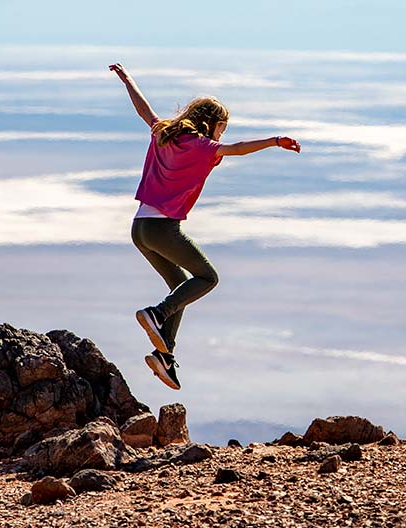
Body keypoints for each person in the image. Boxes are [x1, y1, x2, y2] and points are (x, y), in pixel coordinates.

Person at [111, 63, 301, 390]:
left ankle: (164, 356)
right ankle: (156, 314)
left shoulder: (165, 132)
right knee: (208, 278)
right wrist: (274, 141)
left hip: (140, 228)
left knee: (180, 286)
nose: (221, 136)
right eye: (221, 129)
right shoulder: (204, 147)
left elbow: (145, 110)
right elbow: (237, 149)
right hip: (162, 229)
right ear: (211, 124)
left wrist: (128, 80)